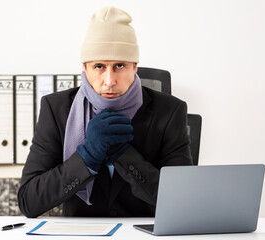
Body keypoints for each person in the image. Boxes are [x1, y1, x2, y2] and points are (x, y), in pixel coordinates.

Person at [18, 6, 192, 218]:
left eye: (119, 65)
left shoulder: (170, 111)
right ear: (85, 67)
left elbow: (182, 201)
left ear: (135, 66)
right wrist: (88, 156)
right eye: (99, 66)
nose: (109, 81)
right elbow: (29, 201)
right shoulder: (56, 110)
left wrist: (125, 156)